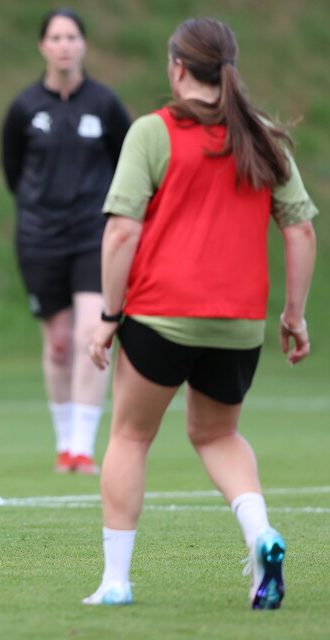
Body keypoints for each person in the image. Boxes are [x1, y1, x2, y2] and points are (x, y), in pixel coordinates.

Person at [83, 17, 317, 609]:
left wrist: (110, 316)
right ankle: (260, 533)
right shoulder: (264, 136)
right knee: (218, 434)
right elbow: (301, 231)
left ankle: (115, 582)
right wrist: (294, 315)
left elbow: (119, 236)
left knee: (131, 436)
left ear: (178, 68)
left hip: (160, 317)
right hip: (238, 324)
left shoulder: (152, 133)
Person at [0, 8, 131, 475]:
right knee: (58, 343)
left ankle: (83, 448)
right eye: (55, 37)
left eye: (72, 36)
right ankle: (63, 447)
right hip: (38, 237)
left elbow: (128, 166)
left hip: (93, 235)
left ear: (83, 45)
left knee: (88, 334)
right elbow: (13, 171)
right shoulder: (24, 108)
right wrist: (40, 209)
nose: (64, 45)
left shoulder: (105, 105)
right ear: (42, 46)